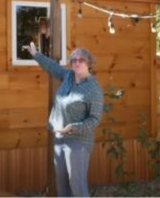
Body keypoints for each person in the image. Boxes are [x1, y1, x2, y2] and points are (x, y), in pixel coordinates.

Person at [26, 42, 103, 197]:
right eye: (73, 60)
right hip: (60, 138)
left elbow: (94, 120)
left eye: (80, 60)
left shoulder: (94, 89)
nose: (76, 63)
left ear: (89, 63)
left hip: (78, 141)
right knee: (61, 185)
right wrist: (36, 55)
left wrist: (72, 127)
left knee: (77, 184)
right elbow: (52, 67)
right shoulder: (68, 76)